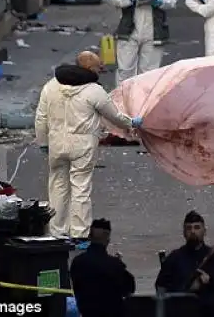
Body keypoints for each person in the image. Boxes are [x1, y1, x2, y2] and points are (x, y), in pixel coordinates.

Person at [35, 52, 144, 240]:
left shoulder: (51, 86)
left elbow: (41, 117)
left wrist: (43, 142)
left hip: (56, 143)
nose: (99, 71)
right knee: (80, 189)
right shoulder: (94, 90)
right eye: (97, 68)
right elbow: (114, 116)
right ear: (89, 68)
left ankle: (57, 231)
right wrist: (131, 123)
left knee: (57, 187)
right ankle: (79, 233)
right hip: (82, 146)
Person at [111, 0, 178, 84]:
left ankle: (144, 103)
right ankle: (122, 101)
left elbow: (172, 0)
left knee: (150, 73)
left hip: (153, 30)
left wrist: (160, 2)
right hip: (129, 29)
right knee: (125, 70)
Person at [156, 211, 214, 317]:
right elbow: (161, 290)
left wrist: (211, 281)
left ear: (204, 231)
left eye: (197, 227)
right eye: (189, 228)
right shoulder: (174, 258)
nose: (193, 231)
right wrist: (188, 290)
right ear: (184, 232)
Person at [70, 218, 136, 317]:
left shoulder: (78, 262)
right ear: (107, 241)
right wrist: (119, 265)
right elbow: (129, 289)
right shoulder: (114, 265)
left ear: (89, 237)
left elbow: (77, 287)